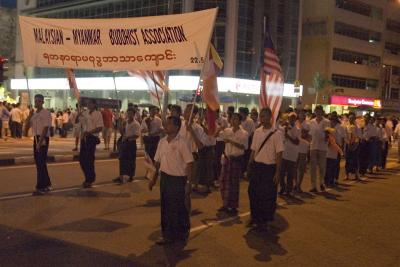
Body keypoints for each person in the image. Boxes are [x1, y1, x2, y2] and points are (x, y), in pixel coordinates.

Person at [149, 116, 193, 245]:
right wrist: (153, 178)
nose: (165, 126)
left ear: (176, 127)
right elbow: (157, 162)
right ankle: (167, 235)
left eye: (169, 123)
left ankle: (182, 233)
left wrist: (189, 183)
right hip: (165, 179)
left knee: (178, 208)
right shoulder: (162, 142)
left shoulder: (182, 142)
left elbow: (190, 163)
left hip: (178, 180)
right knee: (166, 208)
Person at [247, 107, 284, 232]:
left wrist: (278, 172)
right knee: (253, 193)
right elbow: (253, 150)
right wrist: (249, 165)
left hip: (270, 168)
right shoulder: (257, 132)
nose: (262, 119)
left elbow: (279, 154)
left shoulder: (277, 134)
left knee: (267, 196)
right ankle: (255, 217)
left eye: (264, 116)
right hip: (257, 167)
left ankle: (266, 220)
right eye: (261, 116)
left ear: (270, 117)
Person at [219, 113, 248, 215]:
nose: (233, 121)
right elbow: (214, 135)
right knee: (223, 182)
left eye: (236, 119)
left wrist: (231, 141)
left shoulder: (244, 133)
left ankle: (233, 206)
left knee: (234, 184)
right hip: (227, 159)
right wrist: (220, 128)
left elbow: (244, 147)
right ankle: (225, 204)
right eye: (232, 119)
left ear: (240, 121)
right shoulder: (227, 131)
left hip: (236, 159)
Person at [26, 94, 52, 195]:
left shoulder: (46, 113)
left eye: (39, 101)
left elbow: (45, 128)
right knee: (39, 163)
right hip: (36, 138)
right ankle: (47, 183)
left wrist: (40, 143)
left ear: (42, 102)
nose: (36, 103)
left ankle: (40, 187)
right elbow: (27, 127)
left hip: (43, 139)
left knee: (41, 162)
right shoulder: (34, 114)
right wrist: (29, 115)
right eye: (35, 101)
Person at [78, 99, 104, 188]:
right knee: (81, 159)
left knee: (89, 159)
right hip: (84, 137)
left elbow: (100, 127)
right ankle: (88, 177)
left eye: (90, 103)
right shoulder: (85, 113)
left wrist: (89, 132)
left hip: (92, 138)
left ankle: (89, 179)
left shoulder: (98, 114)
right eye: (87, 103)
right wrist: (79, 115)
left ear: (94, 104)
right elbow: (79, 122)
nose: (88, 105)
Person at [114, 108, 140, 184]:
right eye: (128, 113)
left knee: (131, 160)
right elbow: (122, 132)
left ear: (134, 114)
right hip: (124, 142)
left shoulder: (136, 124)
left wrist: (128, 137)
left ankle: (131, 176)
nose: (129, 115)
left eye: (131, 113)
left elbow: (137, 135)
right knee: (122, 160)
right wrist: (120, 125)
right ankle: (121, 176)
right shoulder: (126, 122)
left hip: (131, 143)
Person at [309, 105, 330, 192]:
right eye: (316, 111)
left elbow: (328, 134)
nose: (318, 112)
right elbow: (310, 134)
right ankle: (313, 185)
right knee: (313, 168)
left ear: (322, 111)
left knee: (322, 167)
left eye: (319, 111)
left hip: (322, 147)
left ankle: (321, 182)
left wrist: (327, 137)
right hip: (313, 146)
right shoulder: (311, 121)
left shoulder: (326, 121)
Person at [279, 112, 300, 196]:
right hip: (284, 153)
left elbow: (297, 142)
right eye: (290, 118)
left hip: (292, 154)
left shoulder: (297, 129)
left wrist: (288, 137)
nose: (291, 119)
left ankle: (288, 190)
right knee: (281, 173)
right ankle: (282, 187)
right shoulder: (284, 128)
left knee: (290, 174)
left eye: (293, 118)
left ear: (295, 119)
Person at [296, 110, 310, 192]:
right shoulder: (295, 122)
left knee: (301, 168)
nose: (302, 115)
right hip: (294, 148)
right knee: (294, 167)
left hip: (303, 147)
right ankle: (295, 183)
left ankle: (298, 185)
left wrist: (304, 134)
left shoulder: (307, 124)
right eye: (300, 113)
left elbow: (308, 136)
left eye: (303, 114)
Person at [344, 113, 361, 181]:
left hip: (355, 145)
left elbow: (359, 136)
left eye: (352, 118)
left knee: (355, 160)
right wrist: (348, 143)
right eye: (350, 118)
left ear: (354, 119)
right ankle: (346, 175)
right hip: (348, 145)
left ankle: (357, 174)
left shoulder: (357, 127)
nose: (351, 119)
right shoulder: (346, 126)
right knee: (347, 160)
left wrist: (355, 144)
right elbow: (345, 136)